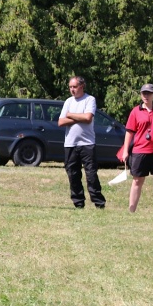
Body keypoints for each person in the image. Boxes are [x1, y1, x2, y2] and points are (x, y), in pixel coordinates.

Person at [58, 76, 106, 209]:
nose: (72, 90)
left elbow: (88, 118)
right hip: (70, 144)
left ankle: (99, 202)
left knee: (91, 174)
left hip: (87, 143)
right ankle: (78, 203)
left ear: (82, 86)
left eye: (74, 87)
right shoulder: (68, 101)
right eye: (70, 87)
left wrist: (70, 115)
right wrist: (80, 117)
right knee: (72, 174)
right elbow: (61, 122)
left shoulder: (89, 99)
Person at [120, 83, 153, 214]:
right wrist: (125, 151)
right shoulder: (135, 111)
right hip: (140, 151)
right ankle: (131, 210)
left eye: (149, 93)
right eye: (144, 93)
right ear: (141, 95)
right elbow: (129, 132)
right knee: (138, 180)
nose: (146, 96)